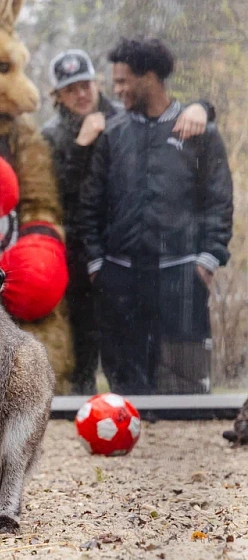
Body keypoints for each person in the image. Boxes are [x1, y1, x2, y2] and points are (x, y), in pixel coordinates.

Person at [41, 48, 214, 395]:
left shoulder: (124, 115)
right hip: (75, 252)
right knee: (82, 340)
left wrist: (204, 107)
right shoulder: (51, 135)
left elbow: (166, 114)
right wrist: (80, 145)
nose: (81, 94)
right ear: (58, 95)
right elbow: (53, 193)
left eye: (85, 84)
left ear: (96, 82)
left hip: (125, 253)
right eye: (70, 89)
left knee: (139, 347)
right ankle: (83, 404)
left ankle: (141, 407)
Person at [78, 38, 233, 395]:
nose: (116, 90)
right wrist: (98, 265)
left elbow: (219, 201)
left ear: (149, 77)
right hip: (120, 279)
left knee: (186, 387)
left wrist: (207, 260)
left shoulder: (200, 133)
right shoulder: (113, 133)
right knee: (125, 391)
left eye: (122, 81)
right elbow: (91, 203)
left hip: (180, 276)